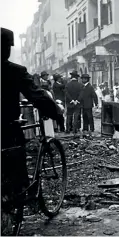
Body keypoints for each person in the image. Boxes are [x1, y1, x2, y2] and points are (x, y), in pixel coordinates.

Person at [1, 28, 61, 235]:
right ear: (8, 48)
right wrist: (55, 113)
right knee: (15, 168)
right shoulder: (14, 71)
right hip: (7, 130)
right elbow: (38, 97)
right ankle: (21, 200)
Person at [65, 70, 83, 135]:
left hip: (70, 103)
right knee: (76, 116)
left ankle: (67, 129)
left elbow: (66, 94)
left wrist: (72, 100)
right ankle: (74, 130)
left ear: (71, 76)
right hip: (77, 103)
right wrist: (77, 100)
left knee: (69, 116)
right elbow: (81, 94)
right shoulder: (80, 85)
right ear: (77, 77)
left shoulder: (67, 85)